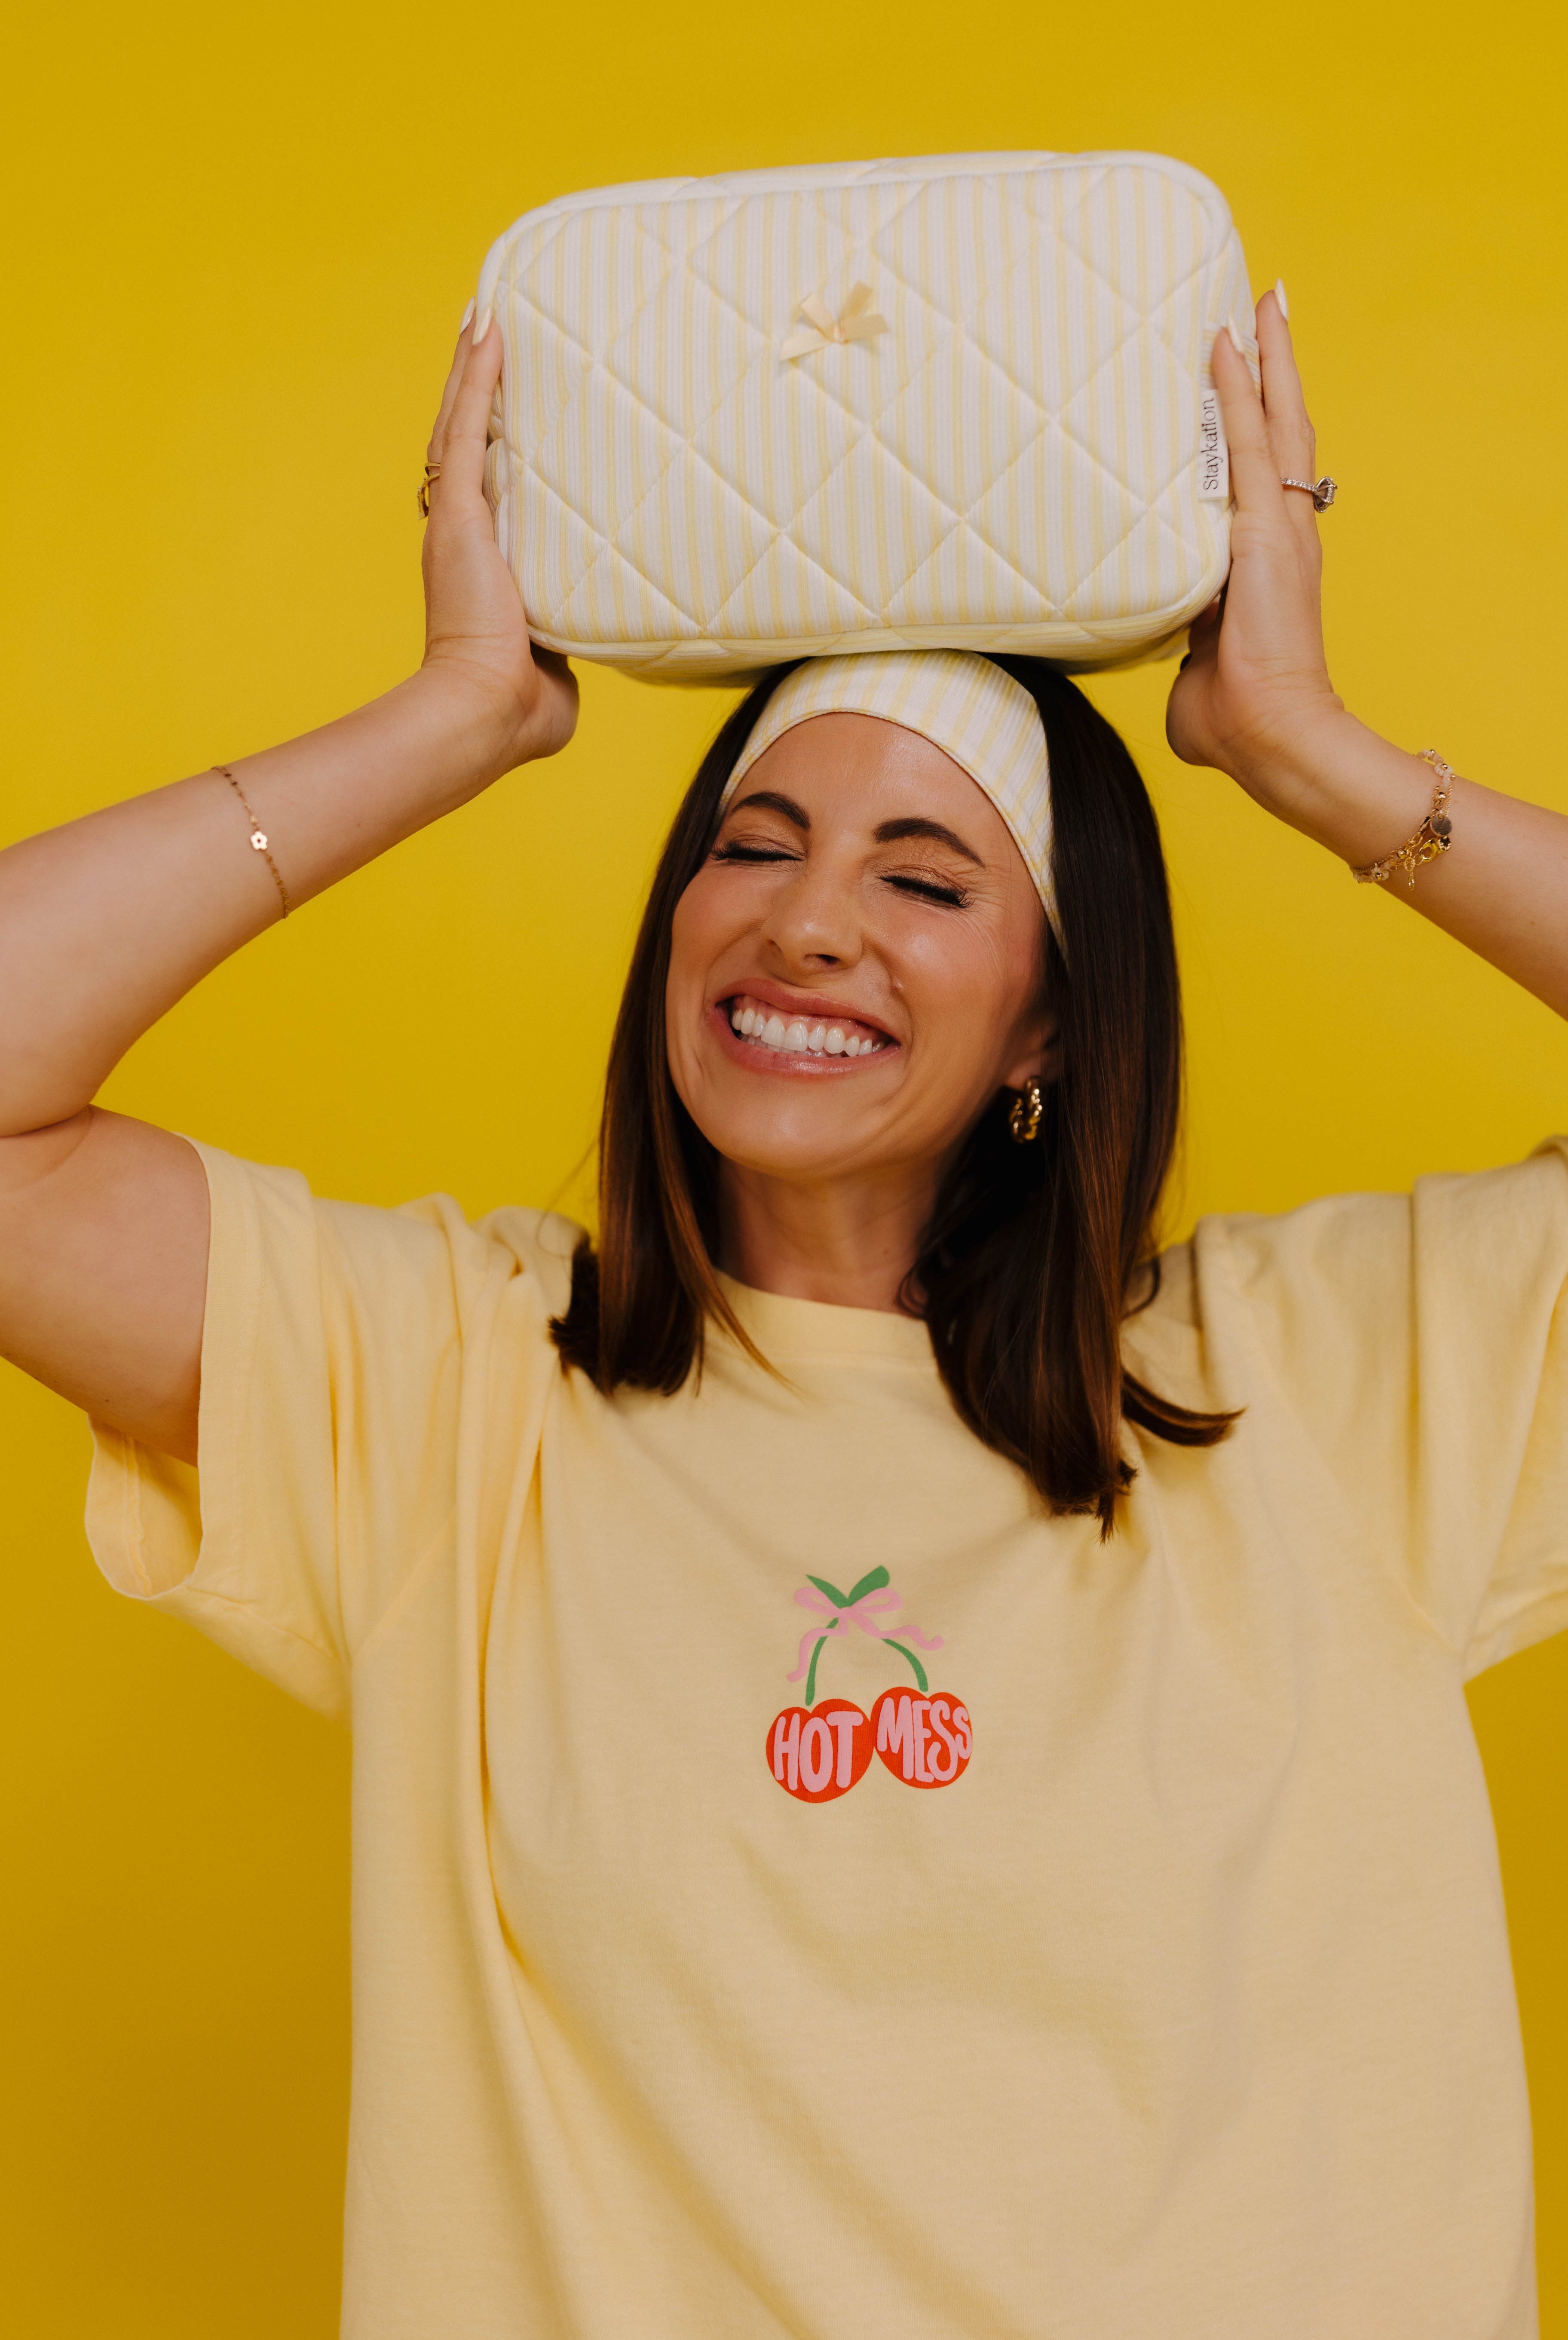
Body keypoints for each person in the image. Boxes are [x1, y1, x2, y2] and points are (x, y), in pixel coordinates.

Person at [2, 289, 1565, 2340]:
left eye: (925, 879)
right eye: (751, 842)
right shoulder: (452, 1394)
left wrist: (1316, 753)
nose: (804, 916)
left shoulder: (1337, 1378)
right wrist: (458, 711)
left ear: (1051, 1020)